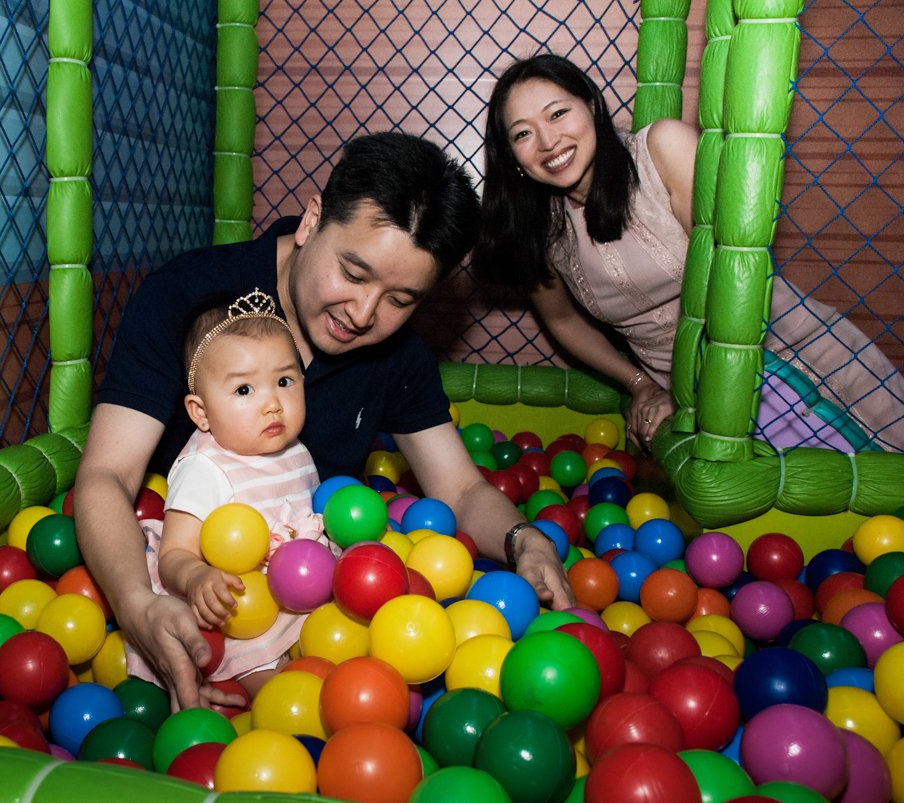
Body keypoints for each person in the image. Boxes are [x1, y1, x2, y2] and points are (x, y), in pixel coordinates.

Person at [75, 131, 575, 712]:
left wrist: (524, 539)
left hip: (317, 601)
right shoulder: (189, 302)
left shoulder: (399, 355)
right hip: (208, 594)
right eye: (354, 274)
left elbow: (460, 489)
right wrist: (137, 602)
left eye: (400, 299)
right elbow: (108, 474)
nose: (363, 314)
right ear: (312, 220)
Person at [474, 54, 904, 452]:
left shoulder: (662, 149)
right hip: (692, 400)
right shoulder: (540, 228)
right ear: (511, 156)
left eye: (557, 113)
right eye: (523, 133)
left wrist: (686, 394)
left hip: (793, 352)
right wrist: (641, 383)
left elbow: (725, 277)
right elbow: (562, 320)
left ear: (590, 105)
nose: (548, 140)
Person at [126, 290, 337, 700]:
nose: (272, 404)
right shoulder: (205, 468)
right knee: (285, 691)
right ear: (201, 412)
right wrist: (197, 577)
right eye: (244, 390)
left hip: (303, 588)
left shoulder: (296, 450)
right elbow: (174, 555)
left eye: (284, 381)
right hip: (239, 608)